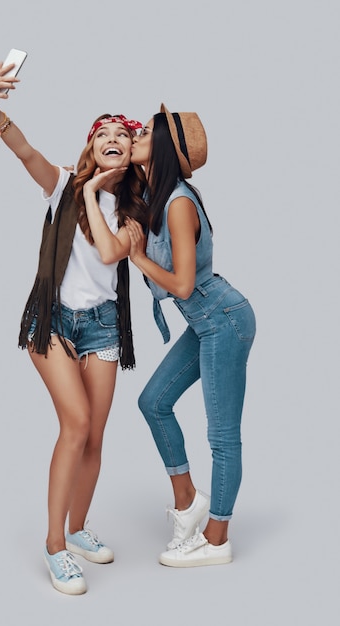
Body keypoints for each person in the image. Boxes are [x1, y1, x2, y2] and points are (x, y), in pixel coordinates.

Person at [0, 61, 146, 594]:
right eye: (104, 134)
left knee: (95, 437)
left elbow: (108, 252)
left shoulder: (133, 211)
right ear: (89, 146)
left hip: (102, 326)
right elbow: (25, 151)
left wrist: (104, 188)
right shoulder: (62, 187)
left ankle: (77, 529)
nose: (115, 137)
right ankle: (55, 546)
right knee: (74, 425)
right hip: (52, 321)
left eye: (124, 134)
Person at [125, 104, 256, 567]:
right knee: (153, 402)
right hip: (206, 321)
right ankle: (188, 502)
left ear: (163, 146)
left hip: (224, 319)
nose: (138, 130)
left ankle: (217, 539)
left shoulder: (178, 203)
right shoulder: (158, 194)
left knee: (222, 436)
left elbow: (180, 284)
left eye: (147, 130)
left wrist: (139, 256)